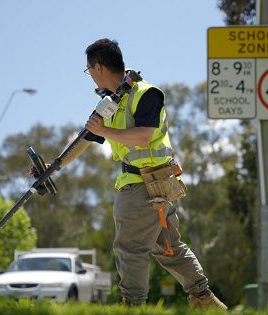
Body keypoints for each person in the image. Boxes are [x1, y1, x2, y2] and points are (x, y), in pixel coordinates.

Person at [45, 38, 227, 309]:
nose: (89, 77)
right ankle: (205, 300)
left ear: (98, 67)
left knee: (129, 248)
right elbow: (85, 139)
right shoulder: (111, 101)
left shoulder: (146, 93)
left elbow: (144, 136)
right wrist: (54, 166)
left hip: (143, 184)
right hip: (156, 186)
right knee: (169, 248)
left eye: (88, 71)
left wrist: (104, 131)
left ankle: (133, 307)